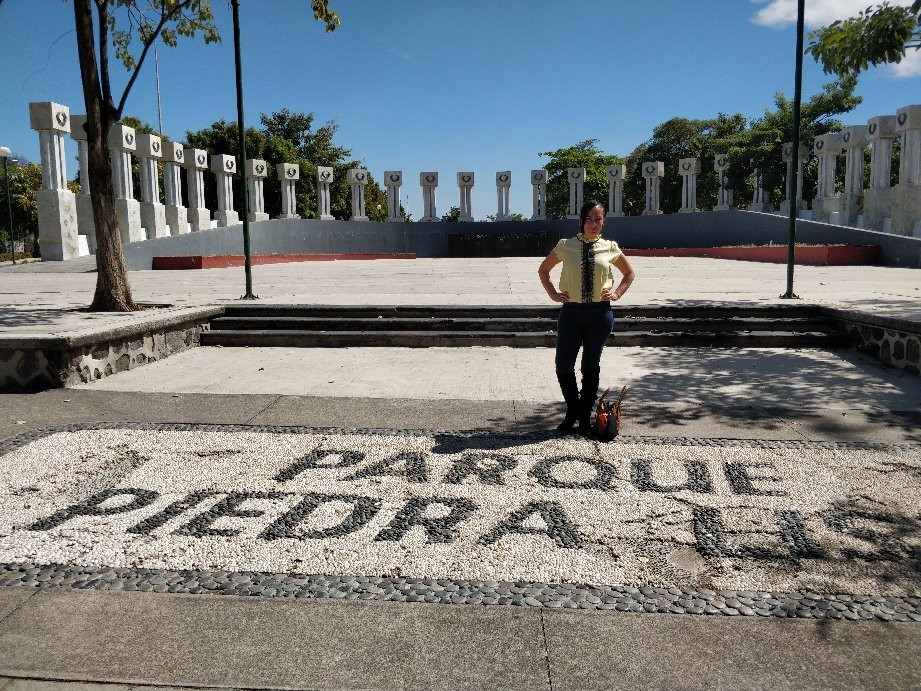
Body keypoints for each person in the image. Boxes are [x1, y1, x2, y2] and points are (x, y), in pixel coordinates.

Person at [537, 201, 635, 435]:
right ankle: (574, 411)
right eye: (589, 219)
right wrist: (552, 293)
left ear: (604, 221)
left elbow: (629, 273)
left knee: (590, 366)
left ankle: (583, 418)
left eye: (598, 219)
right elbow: (543, 270)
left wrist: (617, 293)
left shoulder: (610, 247)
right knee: (563, 365)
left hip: (600, 314)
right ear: (580, 221)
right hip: (571, 313)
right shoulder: (565, 245)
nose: (593, 224)